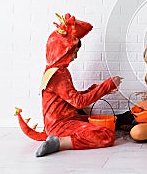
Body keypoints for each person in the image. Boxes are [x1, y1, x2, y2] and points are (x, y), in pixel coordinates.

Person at [16, 13, 122, 157]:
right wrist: (107, 86)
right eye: (74, 52)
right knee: (106, 135)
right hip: (60, 125)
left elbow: (71, 98)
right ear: (63, 50)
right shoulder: (58, 74)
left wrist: (95, 89)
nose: (75, 57)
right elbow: (79, 102)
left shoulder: (55, 71)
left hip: (66, 120)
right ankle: (58, 143)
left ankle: (57, 139)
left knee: (101, 123)